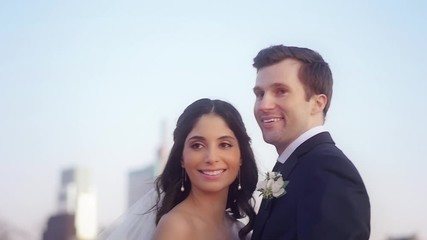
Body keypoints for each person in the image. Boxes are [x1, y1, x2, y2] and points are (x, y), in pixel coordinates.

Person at [250, 45, 370, 240]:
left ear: (317, 103)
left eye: (281, 91)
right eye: (259, 94)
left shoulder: (328, 170)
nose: (264, 105)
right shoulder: (294, 166)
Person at [97, 98, 258, 240]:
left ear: (241, 156)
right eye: (197, 145)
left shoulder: (239, 230)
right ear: (181, 157)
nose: (211, 158)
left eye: (224, 145)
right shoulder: (177, 227)